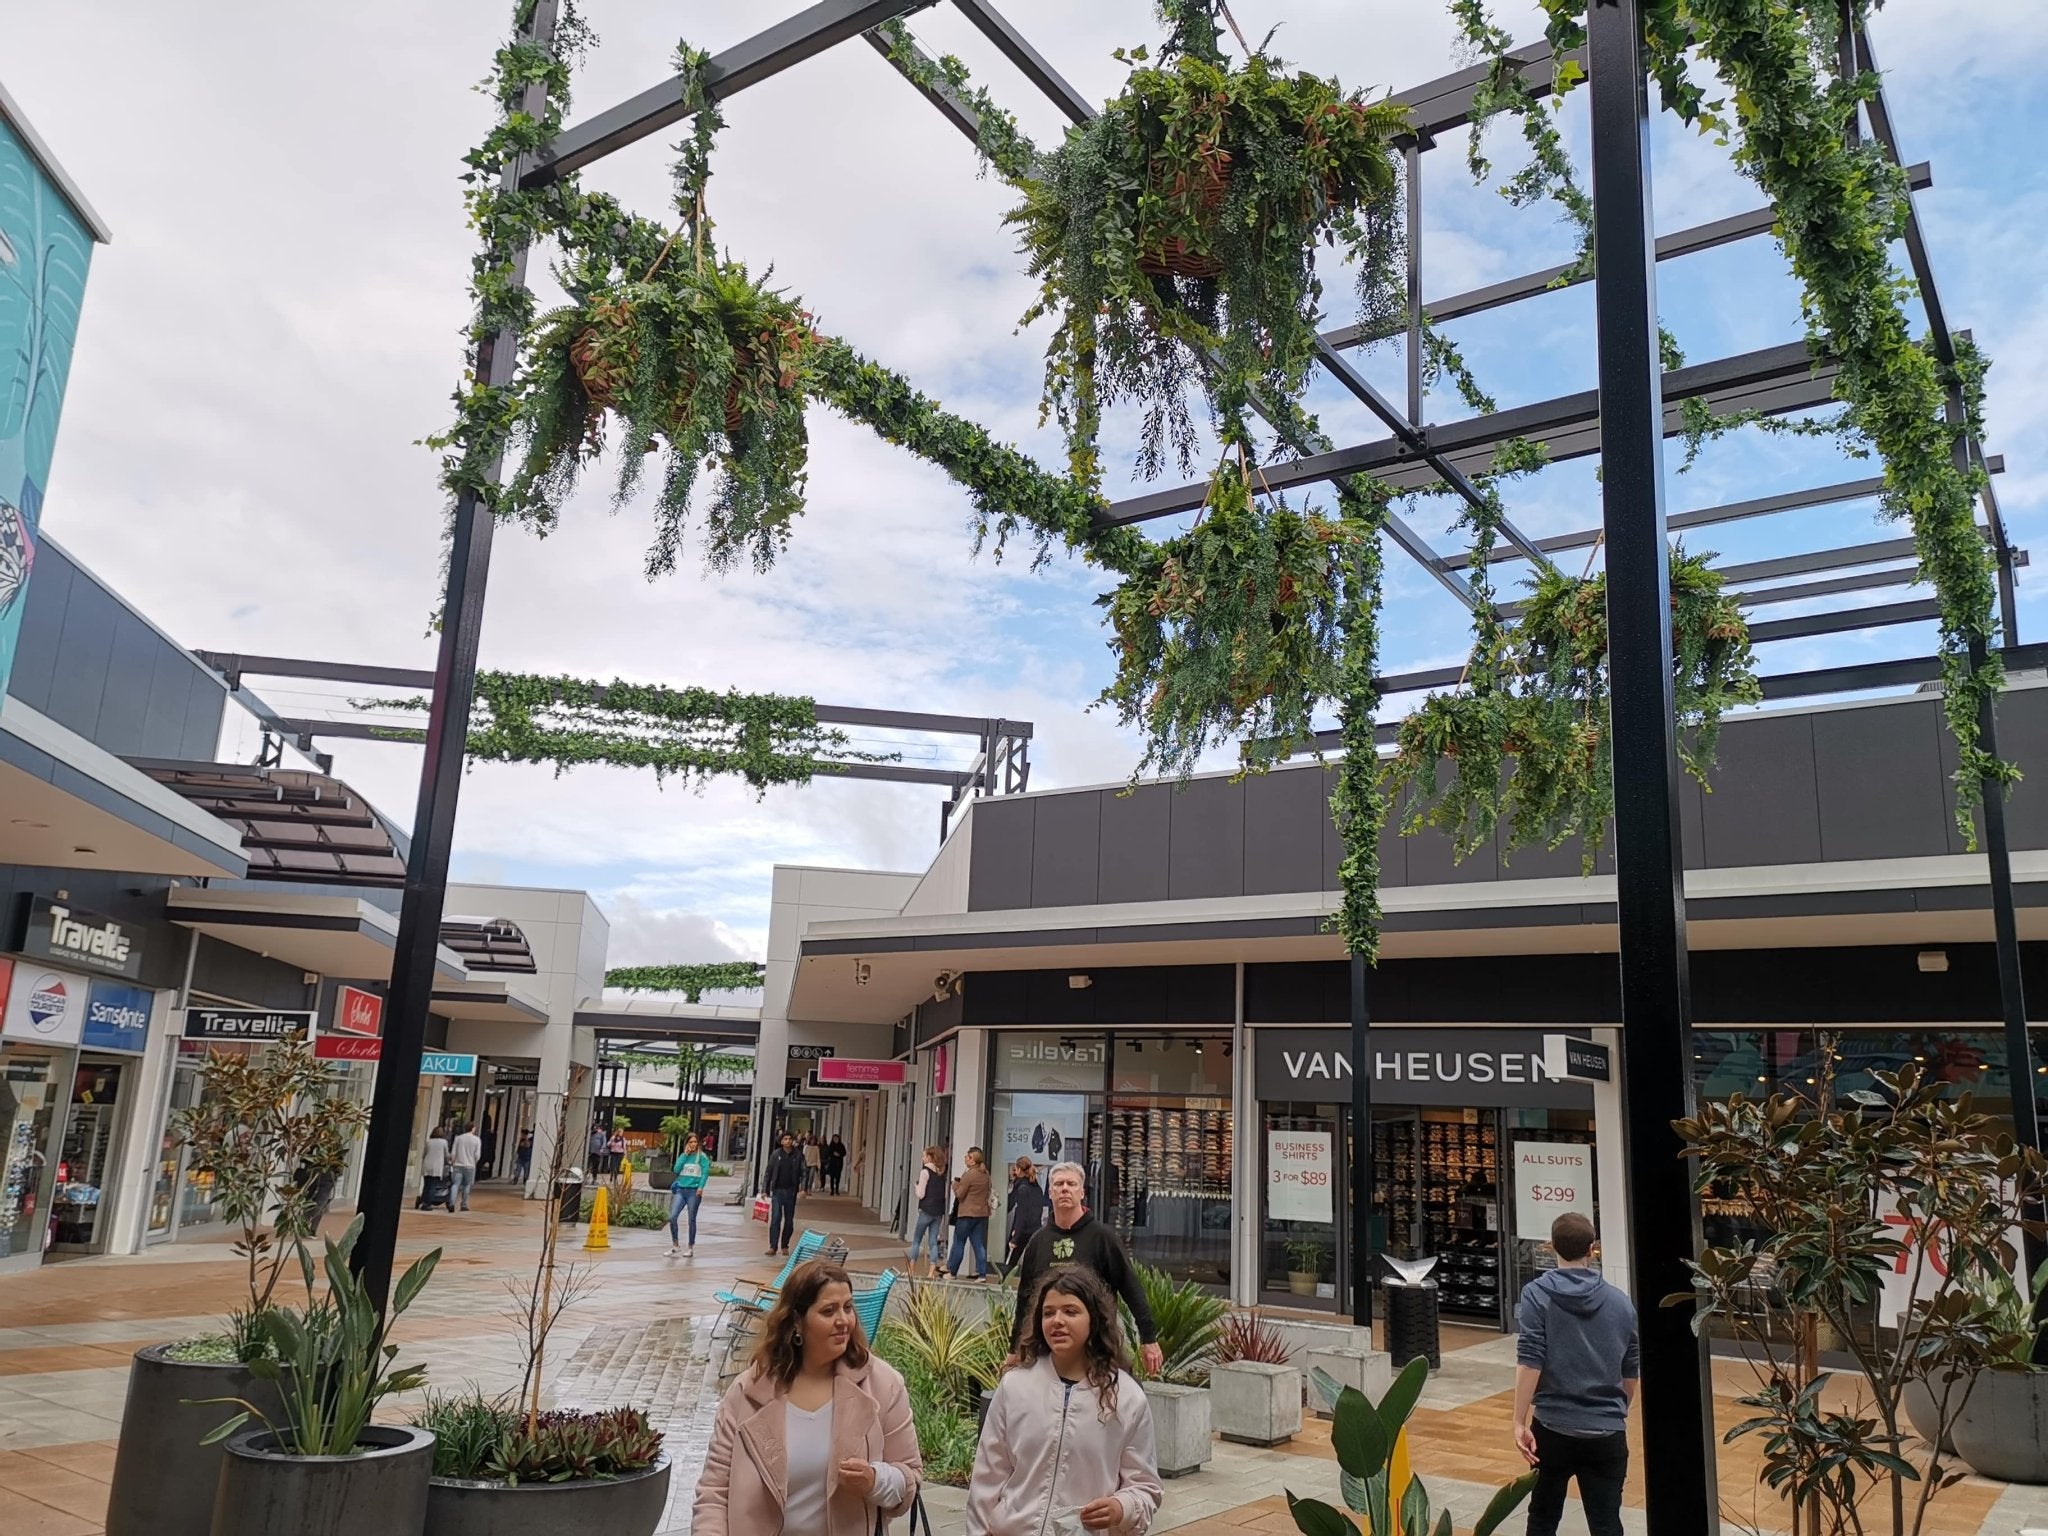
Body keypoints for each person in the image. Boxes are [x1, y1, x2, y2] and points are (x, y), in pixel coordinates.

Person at [695, 1260, 921, 1536]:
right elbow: (714, 1491)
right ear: (797, 1322)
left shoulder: (883, 1385)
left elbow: (910, 1478)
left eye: (847, 1307)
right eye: (828, 1311)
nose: (843, 1321)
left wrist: (875, 1481)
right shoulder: (748, 1392)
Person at [968, 1267, 1163, 1535]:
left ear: (1093, 1320)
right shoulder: (1015, 1386)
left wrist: (1122, 1508)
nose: (1057, 1321)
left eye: (1070, 1311)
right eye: (1049, 1313)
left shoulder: (1127, 1397)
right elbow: (987, 1476)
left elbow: (1146, 1487)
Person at [1513, 1212, 1639, 1536]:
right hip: (1606, 1435)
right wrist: (1615, 1410)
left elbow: (1530, 1361)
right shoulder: (1621, 1303)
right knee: (1607, 1523)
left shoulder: (1536, 1295)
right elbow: (1630, 1370)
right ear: (1592, 1248)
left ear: (1552, 1246)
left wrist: (1518, 1420)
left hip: (1552, 1429)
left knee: (1542, 1519)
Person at [1008, 1162, 1163, 1377]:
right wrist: (1015, 1349)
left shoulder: (1103, 1238)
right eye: (1058, 1184)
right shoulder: (1038, 1241)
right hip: (1047, 1351)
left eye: (1071, 1184)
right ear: (1050, 1192)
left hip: (1098, 1348)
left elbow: (1132, 1289)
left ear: (1082, 1192)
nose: (1064, 1189)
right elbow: (1025, 1300)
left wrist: (1149, 1339)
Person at [942, 1147, 993, 1281]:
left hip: (966, 1214)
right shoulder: (985, 1174)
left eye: (967, 1156)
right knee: (978, 1244)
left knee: (959, 1242)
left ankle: (952, 1272)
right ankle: (982, 1274)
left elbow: (960, 1194)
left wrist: (955, 1185)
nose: (965, 1158)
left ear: (972, 1160)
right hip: (981, 1214)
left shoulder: (969, 1175)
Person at [1001, 1157, 1048, 1278]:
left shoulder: (1022, 1189)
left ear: (1018, 1169)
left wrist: (1015, 1238)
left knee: (1011, 1261)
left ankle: (1002, 1286)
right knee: (1033, 1262)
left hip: (1023, 1230)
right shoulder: (1036, 1188)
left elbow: (1021, 1214)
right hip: (1035, 1228)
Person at [669, 1132, 713, 1256]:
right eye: (690, 1142)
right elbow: (676, 1170)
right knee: (672, 1216)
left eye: (695, 1142)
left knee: (691, 1219)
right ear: (687, 1143)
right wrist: (684, 1155)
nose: (693, 1144)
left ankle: (690, 1246)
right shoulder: (684, 1156)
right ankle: (675, 1244)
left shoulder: (702, 1157)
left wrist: (701, 1187)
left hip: (693, 1191)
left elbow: (705, 1173)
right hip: (681, 1190)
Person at [908, 1146, 947, 1278]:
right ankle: (931, 1271)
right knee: (933, 1241)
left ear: (930, 1157)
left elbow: (921, 1194)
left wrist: (916, 1186)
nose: (922, 1158)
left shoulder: (925, 1172)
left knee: (916, 1240)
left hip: (926, 1210)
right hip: (938, 1212)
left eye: (924, 1156)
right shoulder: (941, 1173)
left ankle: (911, 1269)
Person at [764, 1132, 805, 1257]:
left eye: (789, 1139)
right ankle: (773, 1246)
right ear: (781, 1141)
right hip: (777, 1191)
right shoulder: (776, 1155)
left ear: (792, 1141)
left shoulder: (798, 1155)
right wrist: (765, 1189)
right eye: (785, 1139)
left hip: (790, 1191)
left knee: (789, 1221)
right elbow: (769, 1172)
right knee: (776, 1218)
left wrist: (803, 1188)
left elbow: (804, 1172)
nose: (787, 1141)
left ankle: (785, 1245)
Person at [418, 1124, 452, 1211]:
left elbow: (424, 1154)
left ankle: (423, 1200)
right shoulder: (443, 1142)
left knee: (427, 1185)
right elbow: (446, 1155)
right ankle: (427, 1204)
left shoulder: (429, 1142)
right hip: (436, 1167)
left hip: (427, 1165)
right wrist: (449, 1161)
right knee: (433, 1186)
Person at [450, 1121, 482, 1212]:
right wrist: (474, 1162)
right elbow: (477, 1155)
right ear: (472, 1128)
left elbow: (453, 1152)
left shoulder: (458, 1138)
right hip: (470, 1166)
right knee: (467, 1185)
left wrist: (453, 1161)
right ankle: (463, 1204)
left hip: (458, 1165)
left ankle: (451, 1203)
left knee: (455, 1184)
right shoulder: (477, 1140)